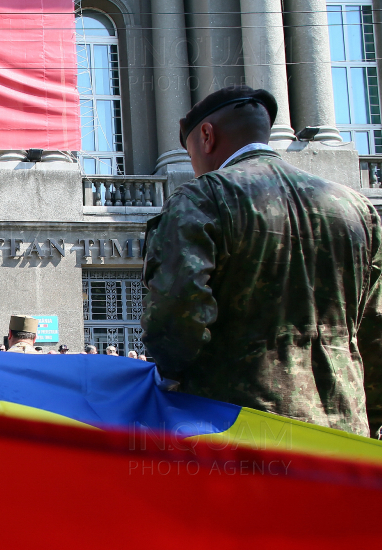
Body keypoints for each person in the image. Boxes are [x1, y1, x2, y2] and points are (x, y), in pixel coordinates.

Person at [141, 85, 382, 437]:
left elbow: (177, 311)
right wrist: (371, 419)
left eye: (191, 154)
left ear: (206, 136)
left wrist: (168, 381)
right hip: (343, 429)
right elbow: (376, 326)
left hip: (240, 429)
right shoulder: (357, 209)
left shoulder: (204, 196)